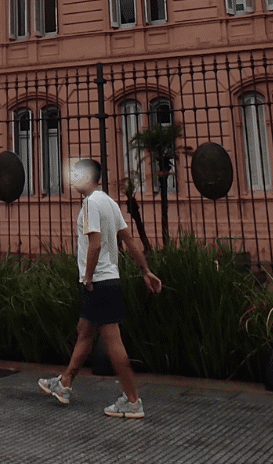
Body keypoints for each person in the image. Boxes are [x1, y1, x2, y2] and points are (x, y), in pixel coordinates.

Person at [37, 158, 163, 419]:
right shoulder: (108, 201)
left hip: (98, 281)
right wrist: (145, 270)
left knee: (113, 341)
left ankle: (132, 401)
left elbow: (94, 244)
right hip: (108, 280)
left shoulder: (90, 204)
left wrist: (88, 275)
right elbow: (128, 239)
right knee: (84, 330)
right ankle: (65, 383)